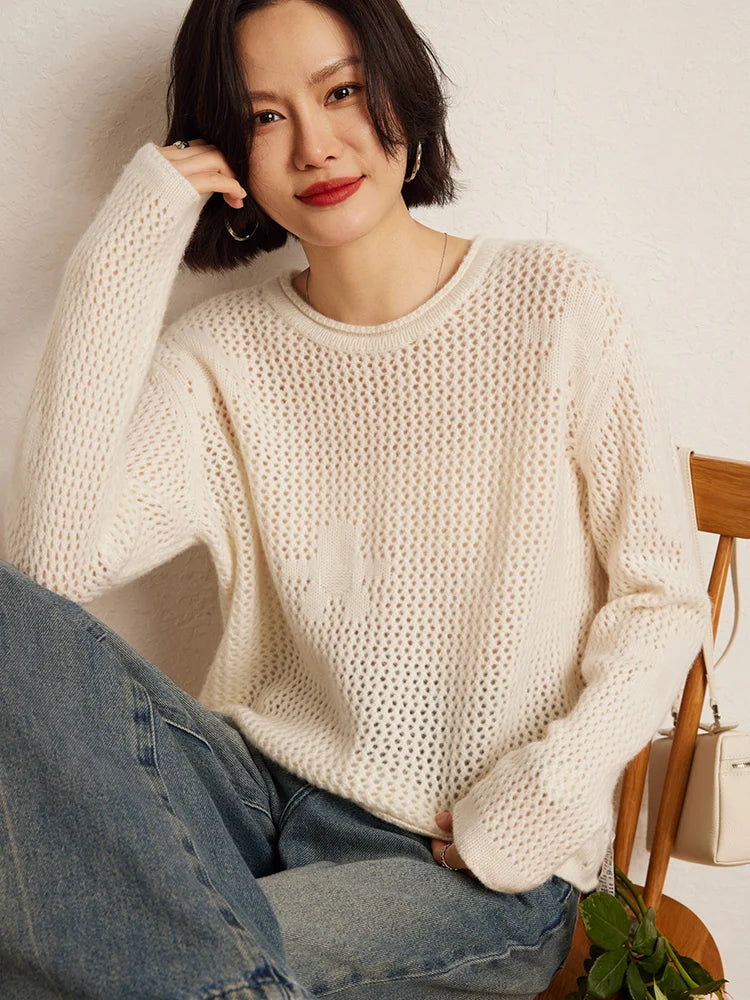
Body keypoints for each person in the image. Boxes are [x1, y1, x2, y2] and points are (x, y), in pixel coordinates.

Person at [1, 0, 711, 997]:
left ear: (398, 92)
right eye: (264, 116)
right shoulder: (220, 357)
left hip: (463, 862)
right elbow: (50, 572)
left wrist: (543, 800)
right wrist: (124, 249)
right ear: (230, 152)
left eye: (339, 91)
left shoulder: (557, 305)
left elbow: (663, 597)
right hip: (253, 802)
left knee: (96, 952)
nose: (315, 144)